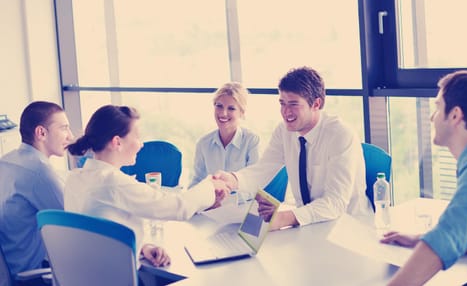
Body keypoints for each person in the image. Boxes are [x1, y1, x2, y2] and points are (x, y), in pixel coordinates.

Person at [381, 70, 467, 285]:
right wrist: (419, 238)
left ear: (455, 115)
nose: (432, 117)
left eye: (437, 107)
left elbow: (450, 234)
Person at [65, 105, 230, 268]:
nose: (141, 144)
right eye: (137, 137)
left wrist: (143, 247)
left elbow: (99, 234)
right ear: (117, 142)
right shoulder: (114, 183)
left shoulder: (74, 178)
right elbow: (178, 207)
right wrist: (211, 186)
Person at [214, 67, 372, 230]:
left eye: (293, 104)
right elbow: (263, 169)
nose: (285, 112)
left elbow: (335, 203)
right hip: (308, 225)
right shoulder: (283, 131)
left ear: (316, 104)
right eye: (282, 103)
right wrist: (233, 180)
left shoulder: (340, 135)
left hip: (349, 227)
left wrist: (284, 218)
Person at [0, 101, 73, 278]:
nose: (70, 136)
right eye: (64, 128)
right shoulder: (39, 172)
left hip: (11, 265)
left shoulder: (7, 161)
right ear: (41, 133)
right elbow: (74, 227)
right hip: (33, 276)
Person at [188, 82, 260, 188]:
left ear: (241, 112)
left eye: (231, 108)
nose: (223, 113)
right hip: (211, 203)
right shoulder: (203, 143)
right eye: (219, 106)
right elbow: (197, 180)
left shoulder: (251, 141)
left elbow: (254, 182)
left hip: (241, 203)